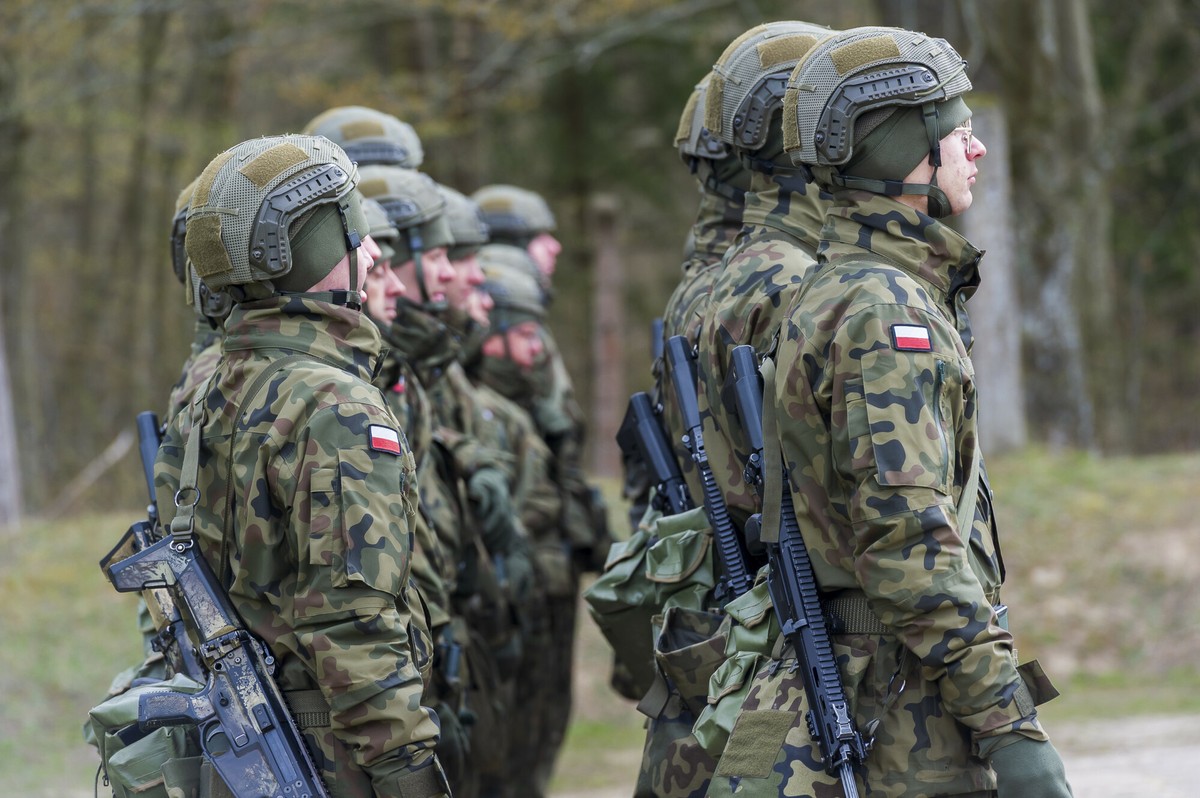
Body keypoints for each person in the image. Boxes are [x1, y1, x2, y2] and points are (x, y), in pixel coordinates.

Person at [704, 26, 1073, 797]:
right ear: (903, 152)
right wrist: (1011, 727)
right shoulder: (885, 311)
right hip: (899, 717)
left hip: (876, 683)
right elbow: (910, 543)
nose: (976, 152)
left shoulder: (847, 284)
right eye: (958, 134)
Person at [155, 134, 448, 798]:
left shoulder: (204, 385)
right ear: (311, 249)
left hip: (233, 748)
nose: (374, 254)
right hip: (324, 751)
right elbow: (349, 617)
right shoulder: (334, 402)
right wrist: (408, 769)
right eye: (356, 234)